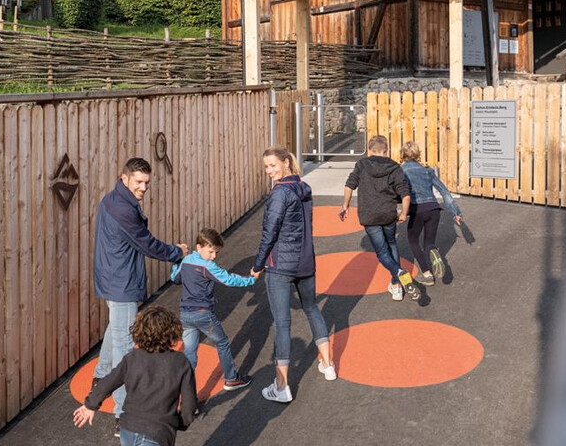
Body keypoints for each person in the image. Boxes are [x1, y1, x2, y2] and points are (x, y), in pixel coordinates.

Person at [92, 157, 188, 432]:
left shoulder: (111, 199)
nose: (143, 187)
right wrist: (177, 252)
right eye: (138, 182)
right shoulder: (123, 209)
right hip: (121, 281)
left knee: (117, 327)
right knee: (125, 348)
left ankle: (100, 377)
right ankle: (122, 414)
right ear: (125, 178)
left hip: (112, 276)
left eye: (146, 182)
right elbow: (147, 245)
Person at [252, 146, 336, 403]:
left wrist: (257, 264)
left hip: (280, 266)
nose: (269, 171)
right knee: (312, 308)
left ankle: (281, 385)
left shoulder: (280, 193)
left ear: (286, 163)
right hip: (305, 262)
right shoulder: (303, 187)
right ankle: (328, 365)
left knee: (282, 323)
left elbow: (270, 233)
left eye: (273, 165)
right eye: (266, 166)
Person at [74, 305, 198, 446]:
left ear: (139, 332)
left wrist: (90, 405)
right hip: (158, 432)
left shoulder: (132, 358)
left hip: (128, 429)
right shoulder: (180, 362)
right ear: (172, 332)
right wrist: (180, 422)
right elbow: (189, 403)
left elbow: (107, 382)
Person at [171, 228, 256, 391]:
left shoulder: (186, 261)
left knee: (190, 353)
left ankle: (186, 392)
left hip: (186, 314)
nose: (213, 256)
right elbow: (228, 280)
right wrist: (251, 280)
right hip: (203, 313)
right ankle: (231, 378)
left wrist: (177, 261)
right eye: (211, 252)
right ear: (199, 247)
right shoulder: (207, 266)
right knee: (222, 342)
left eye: (216, 253)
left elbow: (175, 279)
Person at [339, 135, 418, 300]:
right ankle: (396, 285)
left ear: (369, 150)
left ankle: (398, 272)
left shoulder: (362, 164)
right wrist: (403, 213)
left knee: (382, 251)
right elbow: (405, 194)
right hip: (388, 213)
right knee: (392, 243)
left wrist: (345, 206)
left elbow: (349, 185)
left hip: (369, 215)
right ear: (386, 150)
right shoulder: (395, 167)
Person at [399, 141, 462, 287]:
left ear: (402, 155)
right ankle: (433, 251)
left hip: (417, 209)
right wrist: (455, 212)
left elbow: (401, 192)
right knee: (428, 243)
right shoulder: (427, 170)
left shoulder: (402, 171)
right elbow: (444, 191)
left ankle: (427, 273)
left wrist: (399, 211)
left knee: (413, 240)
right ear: (418, 154)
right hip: (434, 209)